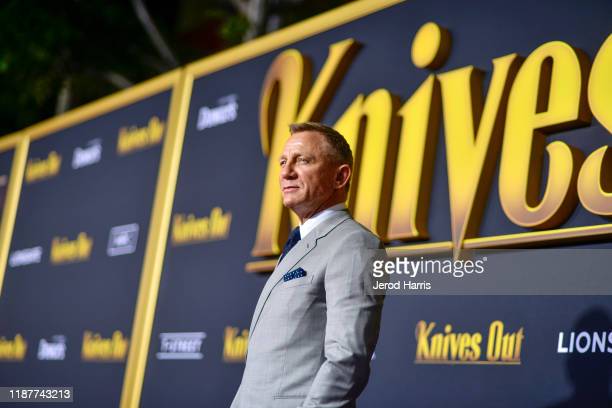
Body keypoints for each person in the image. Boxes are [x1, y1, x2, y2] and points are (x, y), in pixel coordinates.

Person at [231, 122, 385, 408]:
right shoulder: (297, 245)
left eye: (303, 160)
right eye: (283, 162)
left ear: (340, 177)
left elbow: (347, 358)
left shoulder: (354, 244)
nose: (286, 172)